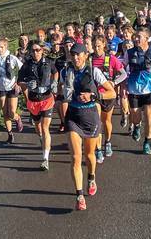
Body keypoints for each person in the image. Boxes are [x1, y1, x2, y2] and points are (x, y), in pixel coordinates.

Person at [60, 43, 116, 210]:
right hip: (73, 117)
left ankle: (91, 178)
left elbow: (112, 92)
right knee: (76, 157)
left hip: (90, 117)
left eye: (78, 54)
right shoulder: (67, 72)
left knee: (90, 155)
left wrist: (94, 96)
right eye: (73, 55)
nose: (75, 58)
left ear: (85, 55)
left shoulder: (94, 72)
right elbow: (62, 90)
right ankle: (79, 195)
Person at [122, 27, 151, 155]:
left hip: (150, 90)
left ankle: (147, 143)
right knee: (136, 116)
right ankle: (137, 126)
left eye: (139, 37)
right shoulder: (129, 53)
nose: (136, 38)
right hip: (134, 90)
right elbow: (121, 69)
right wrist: (123, 85)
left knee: (149, 117)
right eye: (135, 36)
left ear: (147, 39)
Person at [17, 40, 59, 170]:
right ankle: (41, 137)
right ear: (30, 51)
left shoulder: (49, 62)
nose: (36, 53)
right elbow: (19, 82)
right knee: (38, 127)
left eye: (38, 50)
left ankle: (45, 159)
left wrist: (55, 82)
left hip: (47, 99)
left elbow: (55, 72)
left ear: (42, 50)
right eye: (33, 50)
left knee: (45, 127)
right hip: (33, 100)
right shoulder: (26, 65)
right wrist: (27, 84)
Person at [91, 36, 127, 162]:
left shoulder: (111, 59)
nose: (96, 49)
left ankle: (108, 142)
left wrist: (114, 82)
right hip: (94, 96)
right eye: (94, 46)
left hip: (108, 95)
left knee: (106, 121)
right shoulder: (89, 60)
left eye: (99, 46)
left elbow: (123, 74)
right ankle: (98, 149)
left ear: (104, 45)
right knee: (97, 122)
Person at [0, 38, 24, 144]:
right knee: (5, 113)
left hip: (12, 87)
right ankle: (10, 134)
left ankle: (17, 118)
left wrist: (18, 82)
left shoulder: (12, 58)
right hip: (1, 88)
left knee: (11, 112)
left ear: (6, 47)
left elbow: (22, 69)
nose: (0, 49)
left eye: (2, 47)